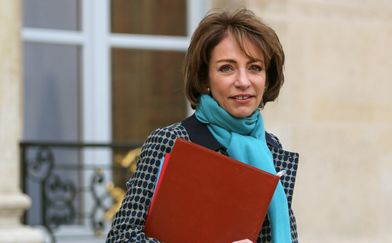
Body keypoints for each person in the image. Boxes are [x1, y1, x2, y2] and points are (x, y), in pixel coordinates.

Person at [106, 8, 299, 243]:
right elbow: (121, 238)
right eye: (227, 68)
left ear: (267, 77)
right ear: (204, 78)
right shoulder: (173, 141)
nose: (243, 81)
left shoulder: (271, 147)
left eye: (254, 67)